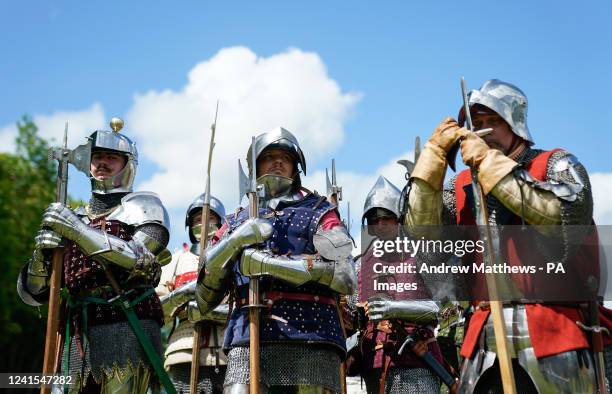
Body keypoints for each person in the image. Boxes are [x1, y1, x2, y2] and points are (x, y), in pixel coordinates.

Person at [404, 79, 609, 392]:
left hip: (553, 333)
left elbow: (561, 220)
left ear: (515, 123)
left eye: (493, 121)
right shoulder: (459, 188)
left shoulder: (556, 164)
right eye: (477, 124)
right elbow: (427, 240)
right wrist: (431, 167)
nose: (483, 130)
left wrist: (490, 165)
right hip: (483, 336)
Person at [196, 127, 357, 393]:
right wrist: (235, 241)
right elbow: (204, 295)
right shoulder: (236, 220)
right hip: (247, 336)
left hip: (311, 335)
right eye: (269, 156)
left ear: (296, 166)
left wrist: (268, 265)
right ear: (255, 166)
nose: (278, 162)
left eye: (285, 156)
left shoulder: (319, 212)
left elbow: (345, 275)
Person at [17, 118, 172, 393]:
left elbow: (141, 258)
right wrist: (42, 254)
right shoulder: (72, 216)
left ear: (128, 164)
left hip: (127, 326)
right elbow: (36, 293)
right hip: (75, 334)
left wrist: (75, 230)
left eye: (111, 157)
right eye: (97, 157)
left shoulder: (145, 207)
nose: (102, 163)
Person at [356, 176, 442, 393]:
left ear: (400, 218)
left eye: (387, 218)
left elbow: (440, 308)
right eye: (374, 220)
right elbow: (354, 316)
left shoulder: (422, 254)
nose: (380, 224)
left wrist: (392, 308)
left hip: (417, 357)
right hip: (375, 361)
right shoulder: (361, 264)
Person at [157, 193, 228, 393]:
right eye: (197, 219)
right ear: (190, 225)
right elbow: (158, 310)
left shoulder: (230, 258)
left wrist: (209, 311)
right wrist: (183, 302)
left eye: (210, 218)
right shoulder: (176, 260)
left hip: (225, 350)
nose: (203, 223)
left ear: (221, 223)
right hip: (184, 348)